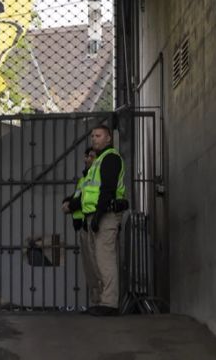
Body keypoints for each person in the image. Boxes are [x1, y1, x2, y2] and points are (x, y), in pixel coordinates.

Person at [80, 125, 128, 316]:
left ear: (108, 138)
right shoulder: (98, 161)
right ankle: (101, 301)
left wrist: (98, 216)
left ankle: (109, 303)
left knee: (105, 259)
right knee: (96, 260)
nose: (94, 139)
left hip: (105, 215)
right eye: (92, 136)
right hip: (94, 214)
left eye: (98, 135)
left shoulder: (110, 159)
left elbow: (107, 189)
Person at [62, 147, 99, 309]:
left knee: (97, 266)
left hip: (94, 225)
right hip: (84, 226)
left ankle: (102, 302)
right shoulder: (84, 178)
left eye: (91, 156)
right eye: (86, 156)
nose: (87, 159)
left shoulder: (96, 175)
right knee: (90, 268)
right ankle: (96, 302)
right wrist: (67, 201)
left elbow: (86, 199)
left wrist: (70, 206)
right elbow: (78, 195)